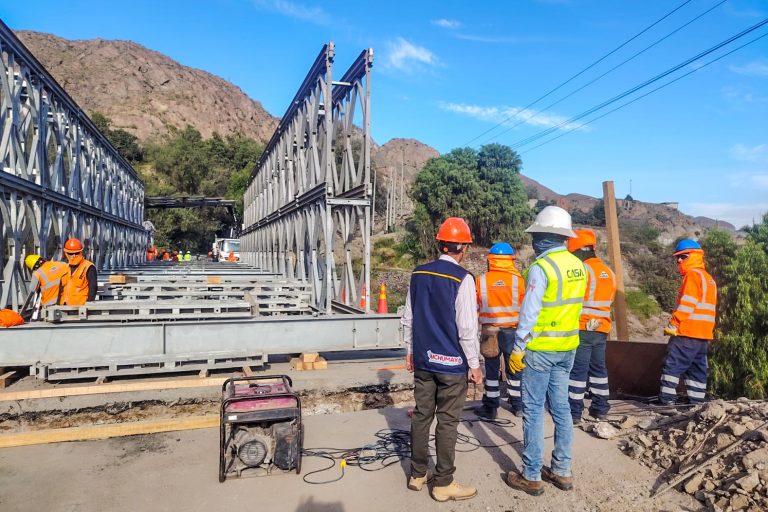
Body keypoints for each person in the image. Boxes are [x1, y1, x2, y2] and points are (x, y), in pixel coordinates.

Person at [505, 206, 587, 496]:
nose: (533, 240)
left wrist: (517, 349)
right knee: (562, 408)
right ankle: (562, 471)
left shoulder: (541, 268)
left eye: (536, 234)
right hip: (568, 348)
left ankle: (531, 475)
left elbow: (529, 313)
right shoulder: (579, 266)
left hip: (540, 350)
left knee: (533, 411)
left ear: (545, 236)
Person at [402, 217, 482, 502]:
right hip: (451, 366)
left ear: (441, 243)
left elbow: (408, 317)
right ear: (462, 248)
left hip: (424, 361)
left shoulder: (418, 274)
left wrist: (409, 350)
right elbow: (467, 330)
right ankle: (443, 483)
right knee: (447, 421)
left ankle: (417, 474)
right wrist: (475, 365)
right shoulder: (463, 279)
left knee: (422, 416)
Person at [566, 229, 617, 425]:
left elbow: (572, 299)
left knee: (578, 371)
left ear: (578, 250)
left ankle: (574, 412)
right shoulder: (609, 272)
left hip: (583, 327)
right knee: (598, 369)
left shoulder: (582, 271)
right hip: (601, 328)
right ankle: (601, 408)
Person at [659, 239, 717, 405]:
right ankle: (696, 405)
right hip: (703, 335)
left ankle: (666, 404)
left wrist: (674, 324)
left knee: (671, 367)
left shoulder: (692, 275)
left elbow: (687, 303)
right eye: (677, 258)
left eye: (683, 257)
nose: (678, 261)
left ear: (693, 256)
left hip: (687, 332)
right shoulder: (708, 278)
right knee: (697, 372)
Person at [473, 242, 525, 420]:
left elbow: (476, 306)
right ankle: (518, 405)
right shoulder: (518, 281)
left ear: (491, 260)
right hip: (512, 331)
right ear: (510, 260)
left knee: (491, 368)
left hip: (490, 331)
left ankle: (491, 407)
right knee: (515, 368)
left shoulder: (482, 280)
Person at [59, 238, 97, 305]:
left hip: (81, 308)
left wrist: (89, 305)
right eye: (71, 253)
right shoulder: (64, 268)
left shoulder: (88, 267)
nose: (73, 256)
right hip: (64, 306)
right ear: (66, 253)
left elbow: (93, 288)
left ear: (81, 252)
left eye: (76, 253)